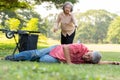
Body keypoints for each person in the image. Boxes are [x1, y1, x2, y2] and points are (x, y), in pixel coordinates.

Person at [5, 43, 120, 65]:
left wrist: (113, 62)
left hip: (55, 58)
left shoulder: (88, 61)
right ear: (90, 51)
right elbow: (65, 47)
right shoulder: (81, 47)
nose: (86, 57)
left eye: (88, 59)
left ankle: (34, 59)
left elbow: (98, 63)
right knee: (35, 53)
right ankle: (12, 57)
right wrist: (69, 62)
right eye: (88, 56)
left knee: (43, 60)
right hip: (57, 49)